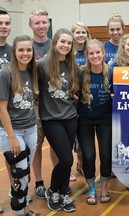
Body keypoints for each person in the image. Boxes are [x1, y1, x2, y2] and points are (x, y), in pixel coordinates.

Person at [37, 28, 79, 212]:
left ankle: (62, 194)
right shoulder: (42, 65)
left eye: (69, 43)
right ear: (55, 43)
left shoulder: (72, 65)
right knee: (66, 159)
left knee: (66, 159)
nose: (66, 45)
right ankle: (52, 190)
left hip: (70, 117)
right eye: (62, 42)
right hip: (51, 118)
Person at [0, 35, 40, 216]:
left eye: (29, 50)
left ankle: (25, 210)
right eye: (21, 50)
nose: (25, 53)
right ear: (14, 52)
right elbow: (1, 107)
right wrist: (12, 137)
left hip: (31, 129)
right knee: (19, 175)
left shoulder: (33, 71)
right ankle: (18, 212)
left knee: (25, 176)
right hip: (12, 131)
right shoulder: (6, 73)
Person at [77, 39, 113, 205]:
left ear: (103, 54)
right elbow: (71, 92)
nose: (95, 56)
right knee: (89, 155)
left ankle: (104, 187)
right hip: (85, 120)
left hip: (105, 119)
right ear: (86, 56)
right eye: (91, 53)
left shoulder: (112, 72)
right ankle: (91, 187)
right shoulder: (80, 73)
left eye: (98, 52)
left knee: (106, 155)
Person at [29, 9, 52, 199]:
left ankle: (59, 176)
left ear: (49, 24)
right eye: (37, 23)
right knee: (37, 145)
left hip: (54, 104)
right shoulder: (25, 47)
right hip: (34, 105)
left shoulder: (56, 45)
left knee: (57, 144)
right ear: (30, 25)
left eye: (44, 22)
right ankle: (38, 181)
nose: (41, 26)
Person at [70, 21, 92, 181]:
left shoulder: (90, 51)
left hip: (86, 99)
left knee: (83, 136)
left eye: (83, 32)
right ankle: (69, 167)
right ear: (72, 35)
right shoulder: (68, 52)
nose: (80, 35)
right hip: (71, 100)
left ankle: (81, 163)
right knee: (71, 136)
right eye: (77, 32)